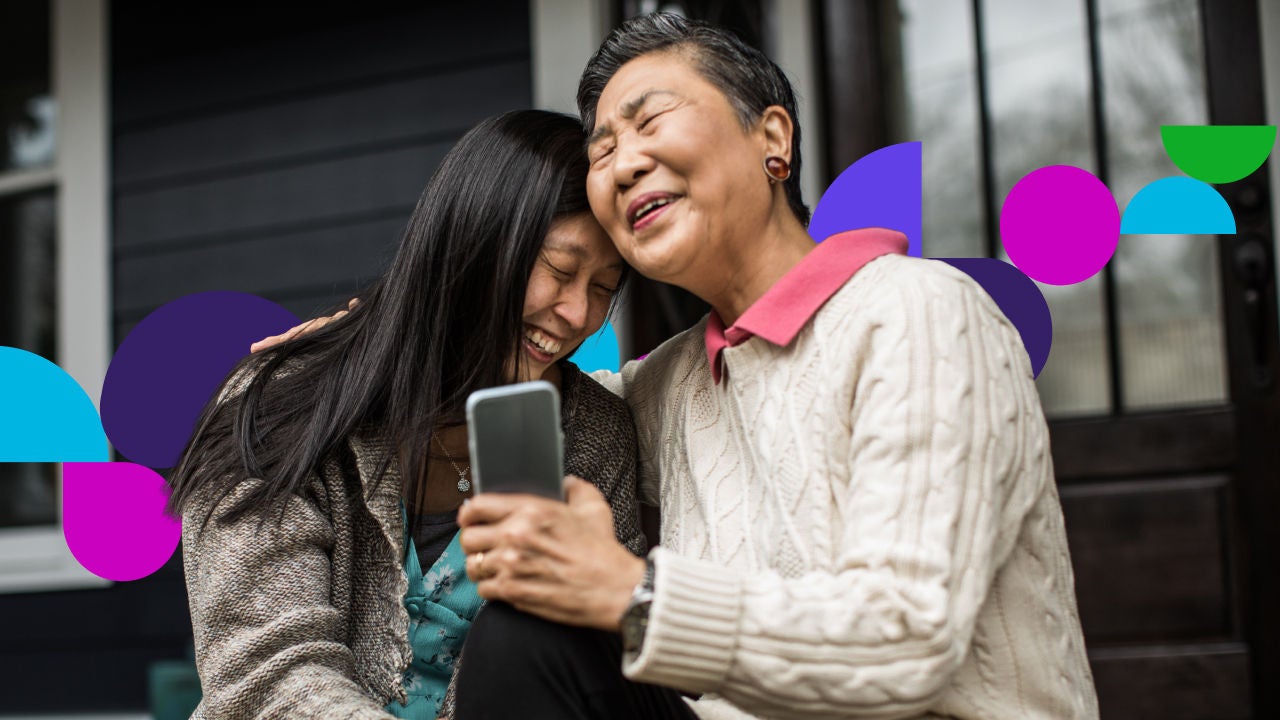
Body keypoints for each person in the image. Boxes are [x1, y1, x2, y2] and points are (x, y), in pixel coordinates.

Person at [263, 14, 1100, 719]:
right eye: (603, 147)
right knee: (529, 635)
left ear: (772, 138)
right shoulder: (671, 385)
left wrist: (629, 591)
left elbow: (908, 635)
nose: (623, 161)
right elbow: (491, 362)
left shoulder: (920, 313)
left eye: (650, 119)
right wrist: (373, 334)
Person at [168, 110, 648, 720]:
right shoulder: (285, 407)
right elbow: (267, 675)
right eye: (559, 270)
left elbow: (604, 665)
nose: (578, 314)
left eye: (604, 287)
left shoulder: (593, 437)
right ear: (473, 244)